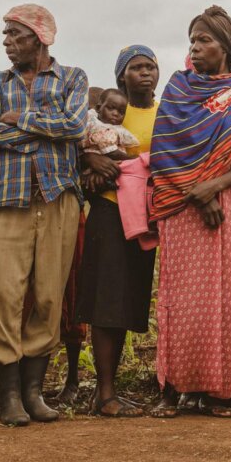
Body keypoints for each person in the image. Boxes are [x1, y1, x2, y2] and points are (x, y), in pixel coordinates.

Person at [149, 6, 231, 418]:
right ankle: (171, 388)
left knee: (221, 296)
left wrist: (214, 187)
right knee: (176, 297)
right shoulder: (177, 88)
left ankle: (216, 391)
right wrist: (196, 193)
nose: (195, 48)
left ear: (226, 46)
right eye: (193, 41)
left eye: (204, 41)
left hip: (224, 203)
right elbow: (164, 148)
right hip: (180, 204)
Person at [0, 3, 87, 427]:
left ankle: (32, 392)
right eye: (5, 34)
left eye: (13, 34)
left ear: (39, 38)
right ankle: (8, 396)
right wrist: (42, 132)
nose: (5, 42)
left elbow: (75, 126)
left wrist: (19, 121)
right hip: (8, 199)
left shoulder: (73, 77)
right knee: (5, 295)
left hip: (58, 197)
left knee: (47, 296)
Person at [73, 45, 160, 417]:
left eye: (151, 67)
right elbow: (82, 147)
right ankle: (105, 393)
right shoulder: (107, 113)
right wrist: (89, 160)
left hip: (150, 216)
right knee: (106, 301)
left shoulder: (167, 111)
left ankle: (110, 391)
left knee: (127, 301)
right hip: (109, 211)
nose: (146, 73)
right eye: (136, 67)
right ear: (121, 75)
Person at [81, 88, 139, 160]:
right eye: (111, 108)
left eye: (121, 112)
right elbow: (111, 152)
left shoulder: (117, 129)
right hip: (98, 165)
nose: (115, 114)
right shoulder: (98, 127)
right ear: (98, 108)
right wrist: (131, 158)